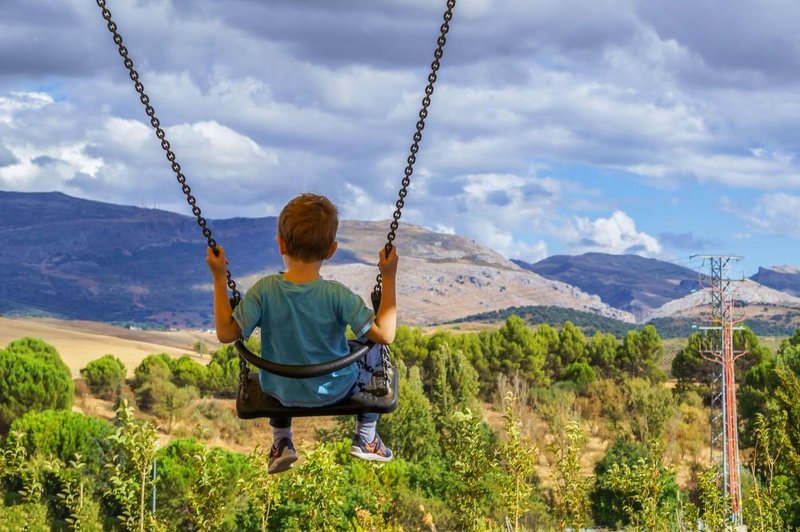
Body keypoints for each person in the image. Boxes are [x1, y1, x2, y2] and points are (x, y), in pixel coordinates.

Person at [206, 193, 398, 473]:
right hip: (335, 389)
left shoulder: (264, 290)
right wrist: (389, 276)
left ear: (280, 243)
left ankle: (282, 441)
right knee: (371, 349)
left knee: (283, 365)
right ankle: (367, 436)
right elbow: (385, 334)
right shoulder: (337, 295)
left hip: (280, 391)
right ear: (331, 250)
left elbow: (226, 333)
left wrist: (219, 277)